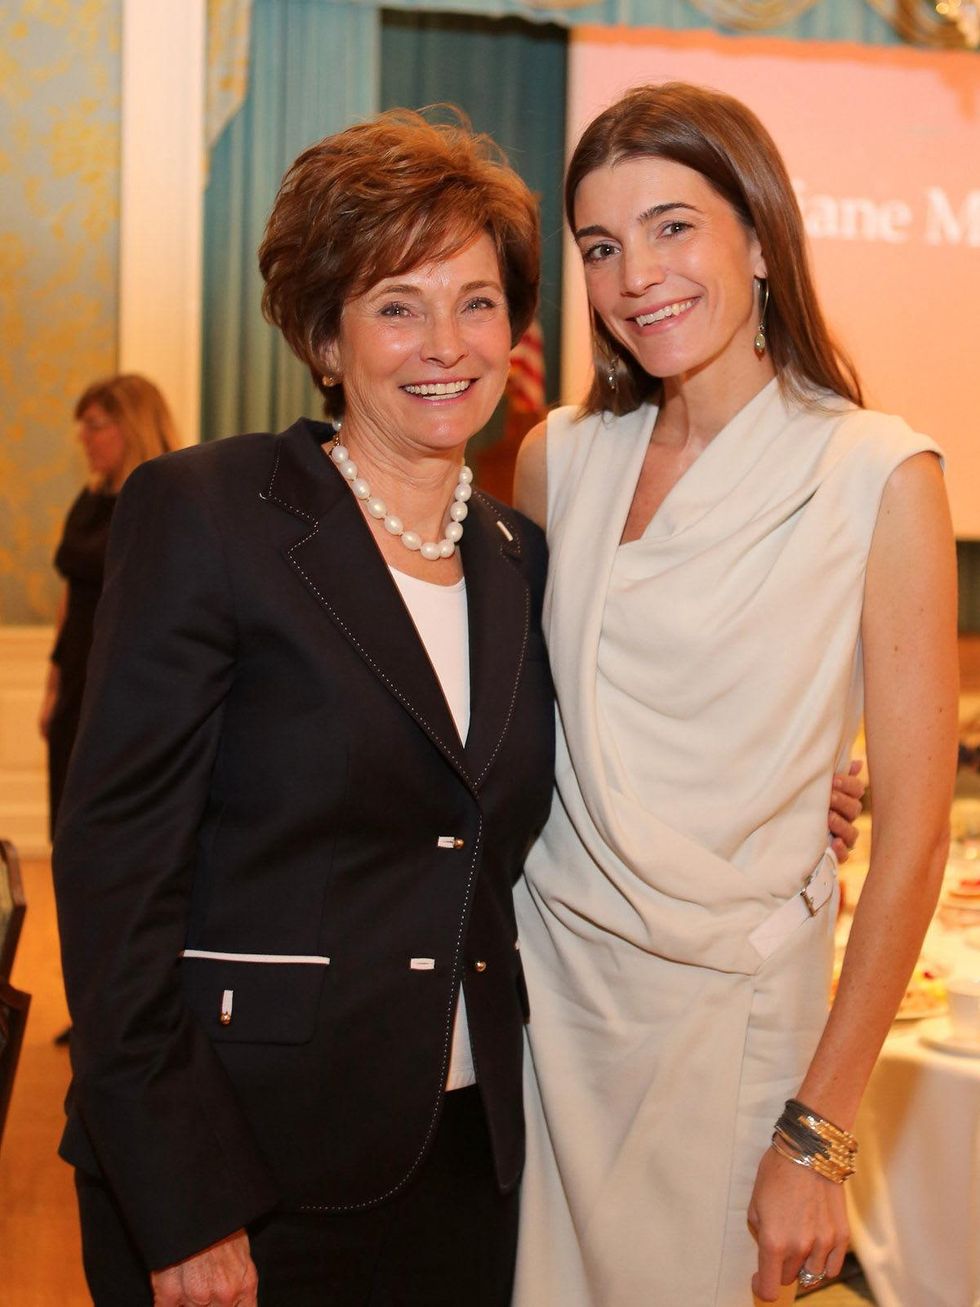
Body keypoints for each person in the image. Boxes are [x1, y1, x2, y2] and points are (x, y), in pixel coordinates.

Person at [52, 112, 555, 1307]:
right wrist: (183, 1200)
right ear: (324, 336)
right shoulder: (209, 510)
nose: (446, 343)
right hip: (242, 1171)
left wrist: (802, 799)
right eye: (397, 303)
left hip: (464, 1153)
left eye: (477, 302)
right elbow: (115, 873)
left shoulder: (518, 556)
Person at [511, 83, 957, 1307]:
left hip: (732, 1024)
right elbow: (536, 733)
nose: (632, 275)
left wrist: (815, 1132)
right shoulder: (558, 458)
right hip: (549, 1004)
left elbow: (914, 834)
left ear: (757, 236)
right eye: (599, 247)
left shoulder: (877, 473)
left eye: (671, 227)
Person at [39, 374, 176, 834]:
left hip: (129, 681)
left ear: (130, 425)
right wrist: (54, 687)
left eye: (95, 424)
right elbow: (72, 595)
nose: (84, 437)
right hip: (78, 672)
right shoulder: (90, 497)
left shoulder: (163, 498)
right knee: (66, 818)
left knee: (113, 826)